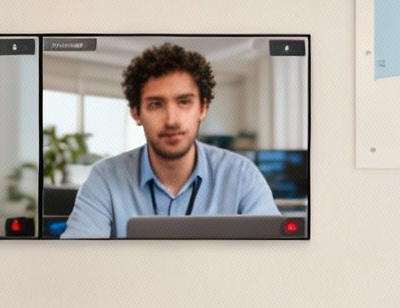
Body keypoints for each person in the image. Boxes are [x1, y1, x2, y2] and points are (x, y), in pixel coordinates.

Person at [59, 43, 278, 239]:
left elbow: (275, 260)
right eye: (156, 104)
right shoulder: (104, 179)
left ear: (202, 108)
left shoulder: (242, 175)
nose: (171, 120)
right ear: (136, 113)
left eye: (184, 102)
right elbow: (78, 262)